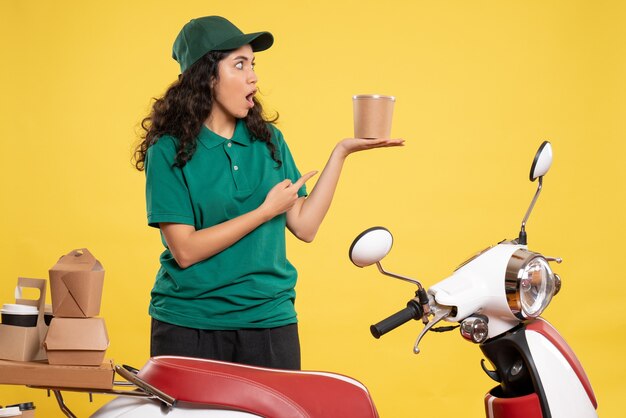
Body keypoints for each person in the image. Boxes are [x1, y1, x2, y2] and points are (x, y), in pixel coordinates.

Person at [133, 15, 403, 370]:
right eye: (239, 65)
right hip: (189, 323)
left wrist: (341, 152)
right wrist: (263, 211)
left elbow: (305, 226)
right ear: (206, 77)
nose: (253, 77)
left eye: (253, 64)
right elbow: (184, 250)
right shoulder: (168, 151)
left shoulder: (268, 141)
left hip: (269, 320)